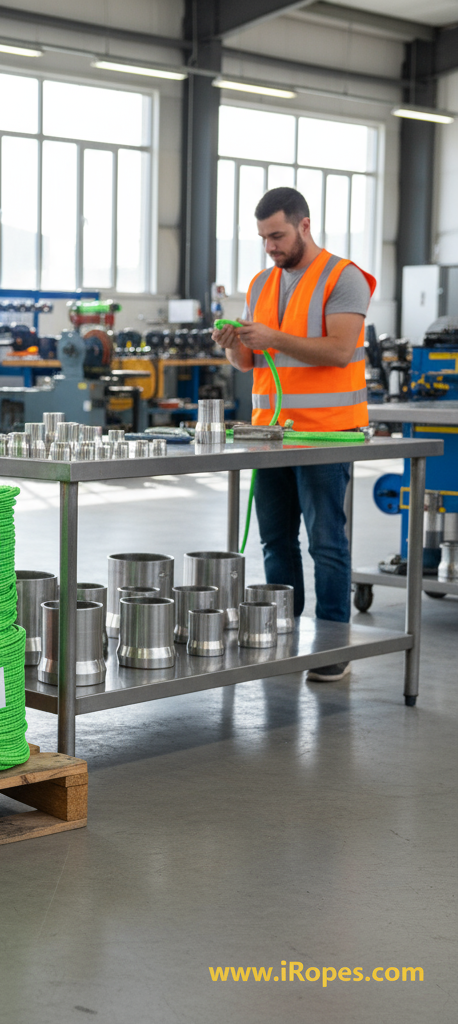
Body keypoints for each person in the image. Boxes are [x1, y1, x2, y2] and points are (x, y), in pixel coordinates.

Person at [214, 187, 375, 683]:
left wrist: (274, 337)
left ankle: (331, 647)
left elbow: (341, 351)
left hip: (327, 436)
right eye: (263, 238)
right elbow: (252, 361)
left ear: (304, 225)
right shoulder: (261, 283)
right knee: (275, 543)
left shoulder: (343, 277)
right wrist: (232, 347)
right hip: (271, 437)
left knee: (326, 542)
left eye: (278, 235)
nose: (270, 247)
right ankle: (284, 636)